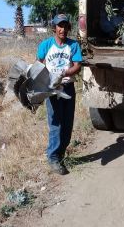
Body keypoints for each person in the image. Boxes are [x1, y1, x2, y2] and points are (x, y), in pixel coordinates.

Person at [36, 13, 83, 175]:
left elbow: (78, 65)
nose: (62, 29)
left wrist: (64, 73)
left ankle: (61, 153)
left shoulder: (74, 45)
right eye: (59, 26)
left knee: (68, 123)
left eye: (65, 26)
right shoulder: (46, 45)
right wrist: (44, 82)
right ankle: (53, 157)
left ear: (69, 28)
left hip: (67, 88)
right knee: (56, 123)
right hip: (52, 90)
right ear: (54, 28)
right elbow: (38, 65)